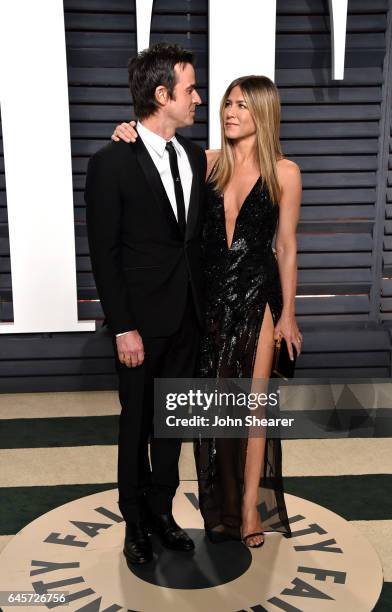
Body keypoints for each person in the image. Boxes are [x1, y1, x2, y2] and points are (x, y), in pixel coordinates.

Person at [112, 76, 302, 548]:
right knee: (214, 414)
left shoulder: (285, 172)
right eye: (226, 104)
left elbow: (286, 247)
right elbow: (156, 151)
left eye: (241, 105)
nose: (229, 112)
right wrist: (126, 132)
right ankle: (217, 501)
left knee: (252, 411)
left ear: (263, 111)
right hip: (207, 301)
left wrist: (289, 315)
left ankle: (248, 510)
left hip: (257, 297)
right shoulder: (206, 162)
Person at [85, 43, 207, 565]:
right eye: (191, 90)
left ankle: (162, 510)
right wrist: (122, 327)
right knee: (136, 425)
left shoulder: (196, 155)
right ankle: (134, 522)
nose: (198, 99)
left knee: (172, 425)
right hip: (140, 325)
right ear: (163, 95)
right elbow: (103, 253)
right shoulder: (110, 162)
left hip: (188, 318)